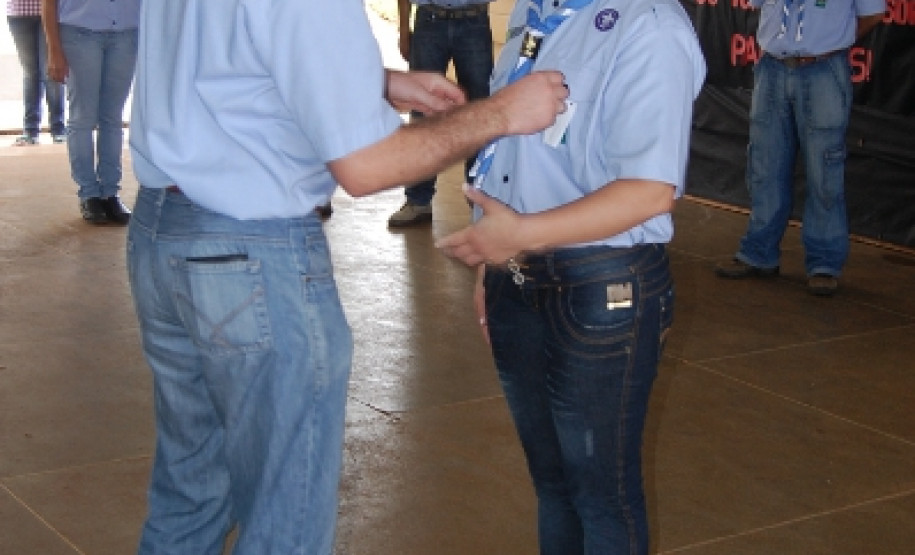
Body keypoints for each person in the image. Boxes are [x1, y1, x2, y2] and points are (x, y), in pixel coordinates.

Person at [126, 1, 568, 553]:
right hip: (251, 256)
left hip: (166, 235)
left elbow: (225, 59)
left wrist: (375, 82)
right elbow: (367, 165)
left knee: (190, 492)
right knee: (286, 516)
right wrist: (500, 113)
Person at [436, 0, 706, 552]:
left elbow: (649, 191)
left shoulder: (649, 24)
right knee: (553, 486)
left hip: (599, 288)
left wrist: (519, 238)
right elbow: (509, 154)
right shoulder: (532, 15)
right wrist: (495, 262)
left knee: (600, 495)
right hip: (517, 276)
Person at [714, 0, 885, 296]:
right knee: (765, 164)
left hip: (823, 69)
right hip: (771, 68)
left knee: (824, 169)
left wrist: (834, 41)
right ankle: (758, 252)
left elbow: (873, 14)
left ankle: (824, 263)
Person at [387, 0, 495, 227]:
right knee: (422, 112)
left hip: (473, 22)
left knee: (479, 112)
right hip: (429, 21)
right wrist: (404, 29)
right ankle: (418, 200)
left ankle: (480, 199)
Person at [42, 0, 139, 225]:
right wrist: (54, 50)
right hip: (79, 33)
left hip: (126, 33)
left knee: (112, 119)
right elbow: (48, 3)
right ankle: (89, 194)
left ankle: (110, 192)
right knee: (82, 118)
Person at [7, 0, 65, 146]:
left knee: (52, 71)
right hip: (19, 11)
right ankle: (30, 130)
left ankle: (58, 129)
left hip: (52, 10)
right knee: (30, 73)